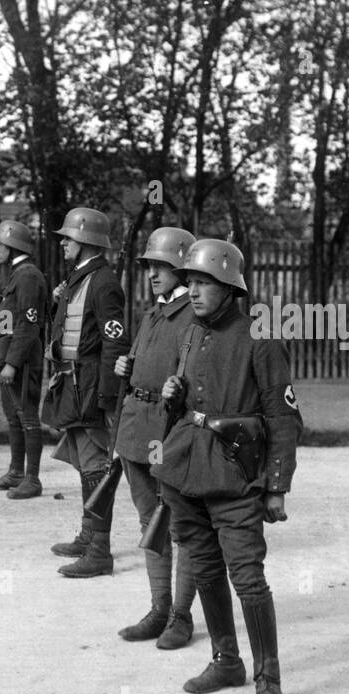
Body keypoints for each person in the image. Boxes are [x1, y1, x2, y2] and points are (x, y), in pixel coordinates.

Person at [155, 238, 304, 694]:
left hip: (237, 475)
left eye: (203, 284)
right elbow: (190, 399)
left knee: (248, 578)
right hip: (188, 470)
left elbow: (283, 419)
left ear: (228, 287)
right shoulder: (191, 333)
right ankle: (225, 661)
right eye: (191, 282)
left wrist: (276, 486)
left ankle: (269, 680)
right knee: (203, 567)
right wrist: (173, 395)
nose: (193, 292)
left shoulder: (260, 338)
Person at [112, 226, 199, 648]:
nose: (152, 273)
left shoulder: (194, 315)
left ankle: (181, 617)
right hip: (137, 426)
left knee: (182, 526)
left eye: (161, 266)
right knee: (151, 523)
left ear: (183, 270)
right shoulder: (152, 313)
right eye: (149, 266)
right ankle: (159, 608)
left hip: (171, 429)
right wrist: (127, 369)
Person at [46, 207, 128, 576]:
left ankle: (100, 550)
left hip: (91, 388)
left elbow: (114, 343)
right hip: (73, 385)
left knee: (96, 467)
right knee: (86, 467)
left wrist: (107, 397)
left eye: (68, 238)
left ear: (85, 241)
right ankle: (87, 535)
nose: (63, 243)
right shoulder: (81, 278)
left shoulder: (104, 282)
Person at [0, 220, 47, 498]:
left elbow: (29, 324)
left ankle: (32, 479)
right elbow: (13, 320)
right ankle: (16, 472)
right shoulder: (16, 274)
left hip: (20, 360)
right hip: (10, 355)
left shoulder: (28, 276)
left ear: (11, 246)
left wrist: (12, 363)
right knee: (13, 418)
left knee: (27, 417)